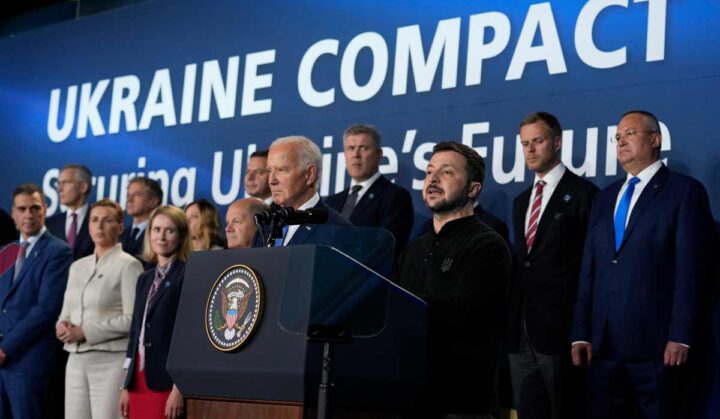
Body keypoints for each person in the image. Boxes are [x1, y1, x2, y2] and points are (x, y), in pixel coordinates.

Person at [570, 110, 714, 419]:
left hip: (657, 348)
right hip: (604, 348)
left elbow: (691, 271)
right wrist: (581, 331)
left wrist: (681, 334)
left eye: (630, 134)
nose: (621, 141)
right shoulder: (605, 197)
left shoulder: (684, 191)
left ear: (655, 139)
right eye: (618, 137)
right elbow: (590, 267)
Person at [392, 142, 511, 419]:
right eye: (429, 171)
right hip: (407, 398)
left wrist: (398, 302)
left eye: (446, 173)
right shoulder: (414, 249)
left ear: (473, 189)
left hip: (462, 404)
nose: (432, 180)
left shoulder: (488, 246)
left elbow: (462, 312)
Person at [506, 112, 598, 419]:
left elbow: (589, 267)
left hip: (560, 331)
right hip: (520, 333)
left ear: (557, 143)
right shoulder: (521, 201)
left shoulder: (584, 194)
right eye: (525, 144)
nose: (530, 150)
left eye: (538, 141)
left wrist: (581, 329)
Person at [56, 199, 143, 419]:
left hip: (110, 360)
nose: (99, 226)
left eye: (107, 221)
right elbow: (66, 311)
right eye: (94, 220)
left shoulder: (129, 265)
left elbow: (132, 320)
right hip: (75, 359)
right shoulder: (77, 266)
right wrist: (62, 326)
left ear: (120, 227)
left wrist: (84, 331)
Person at [0, 183, 73, 418]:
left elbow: (47, 309)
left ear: (45, 209)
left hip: (30, 364)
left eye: (34, 208)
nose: (28, 215)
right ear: (13, 213)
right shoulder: (6, 251)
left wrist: (5, 347)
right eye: (21, 209)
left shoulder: (59, 251)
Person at [119, 205, 190, 419]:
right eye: (157, 230)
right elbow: (135, 334)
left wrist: (179, 389)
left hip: (166, 382)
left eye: (170, 230)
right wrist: (125, 384)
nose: (162, 236)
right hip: (138, 380)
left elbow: (187, 337)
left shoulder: (188, 273)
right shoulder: (144, 278)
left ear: (181, 236)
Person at [326, 124, 414, 256]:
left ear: (379, 154)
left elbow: (388, 249)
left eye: (363, 148)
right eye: (350, 148)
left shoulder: (395, 197)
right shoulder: (331, 202)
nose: (356, 155)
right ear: (344, 154)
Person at [255, 135, 349, 247]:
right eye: (270, 171)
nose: (271, 181)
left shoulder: (336, 229)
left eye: (281, 170)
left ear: (309, 174)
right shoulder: (265, 226)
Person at [46, 164, 95, 260]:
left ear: (83, 187)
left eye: (65, 183)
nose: (59, 189)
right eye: (59, 183)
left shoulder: (98, 220)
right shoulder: (50, 225)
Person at [120, 177, 162, 261]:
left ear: (153, 201)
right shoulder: (121, 234)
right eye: (128, 195)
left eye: (136, 195)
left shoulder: (160, 235)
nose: (129, 200)